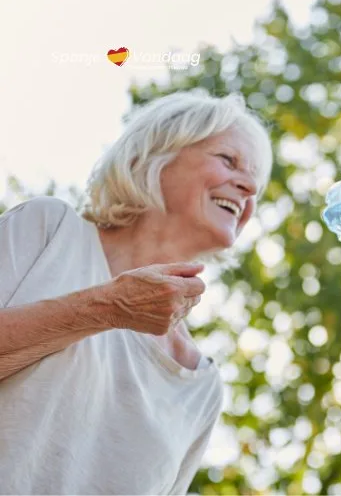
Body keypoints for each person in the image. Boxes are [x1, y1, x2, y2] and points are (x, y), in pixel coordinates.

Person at [0, 91, 272, 493]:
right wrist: (108, 308)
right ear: (152, 156)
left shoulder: (202, 386)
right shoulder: (50, 230)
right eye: (228, 160)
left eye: (256, 182)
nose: (249, 187)